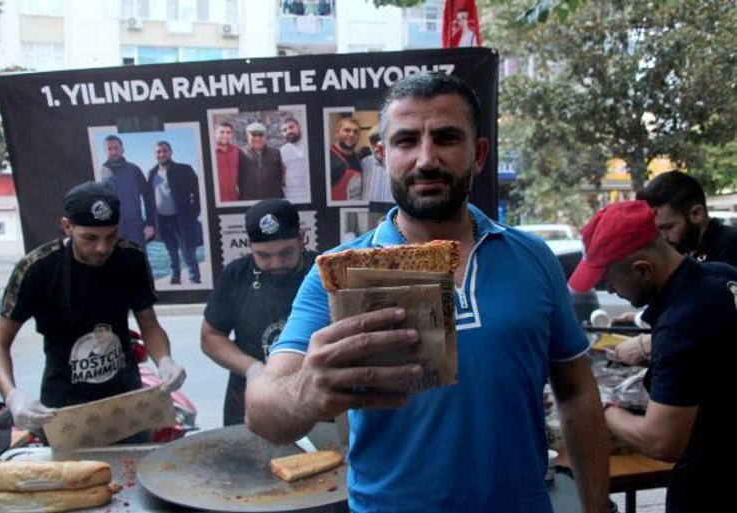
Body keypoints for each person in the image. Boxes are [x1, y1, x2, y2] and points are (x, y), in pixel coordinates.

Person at [246, 72, 609, 512]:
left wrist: (596, 506)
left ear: (478, 154)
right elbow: (262, 410)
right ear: (381, 155)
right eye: (405, 141)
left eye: (446, 137)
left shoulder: (533, 257)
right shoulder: (339, 273)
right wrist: (305, 390)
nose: (426, 159)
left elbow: (577, 392)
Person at [568, 200, 736, 513]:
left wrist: (601, 407)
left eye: (610, 283)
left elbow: (662, 441)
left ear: (642, 269)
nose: (613, 292)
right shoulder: (721, 277)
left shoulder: (682, 323)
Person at [0, 181, 186, 439]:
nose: (102, 248)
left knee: (133, 472)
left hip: (127, 402)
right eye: (90, 238)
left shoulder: (130, 259)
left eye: (110, 236)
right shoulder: (38, 269)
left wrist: (165, 360)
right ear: (67, 226)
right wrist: (12, 396)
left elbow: (149, 324)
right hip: (65, 409)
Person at [201, 199, 316, 426]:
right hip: (252, 395)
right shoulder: (237, 275)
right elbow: (211, 337)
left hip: (313, 395)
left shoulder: (321, 271)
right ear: (250, 247)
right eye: (263, 256)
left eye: (286, 253)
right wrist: (253, 369)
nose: (275, 263)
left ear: (302, 240)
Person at [614, 171, 737, 365]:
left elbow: (714, 317)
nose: (662, 239)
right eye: (656, 231)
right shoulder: (690, 250)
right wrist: (639, 318)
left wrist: (646, 345)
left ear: (696, 214)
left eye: (668, 227)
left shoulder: (730, 246)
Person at [147, 141, 202, 285]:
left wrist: (194, 213)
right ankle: (175, 277)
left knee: (188, 252)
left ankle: (194, 279)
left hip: (181, 219)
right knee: (171, 252)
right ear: (155, 154)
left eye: (164, 151)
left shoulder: (184, 169)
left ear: (170, 152)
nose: (161, 154)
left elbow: (198, 192)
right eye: (158, 151)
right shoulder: (152, 173)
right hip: (162, 220)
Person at [99, 135, 156, 248]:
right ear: (105, 151)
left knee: (139, 261)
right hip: (113, 227)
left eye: (116, 148)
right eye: (110, 149)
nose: (114, 152)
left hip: (135, 226)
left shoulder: (134, 169)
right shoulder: (101, 172)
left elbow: (148, 197)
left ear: (122, 149)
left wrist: (150, 224)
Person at [238, 122, 285, 201]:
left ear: (265, 137)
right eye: (254, 135)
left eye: (260, 135)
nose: (257, 138)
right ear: (247, 136)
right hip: (248, 200)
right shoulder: (240, 154)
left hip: (273, 200)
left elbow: (283, 175)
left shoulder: (276, 153)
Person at [329, 117, 364, 201]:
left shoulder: (360, 158)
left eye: (355, 132)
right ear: (337, 133)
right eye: (347, 130)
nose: (352, 135)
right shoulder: (328, 159)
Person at [361, 125, 395, 209]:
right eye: (373, 141)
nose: (378, 144)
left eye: (381, 139)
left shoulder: (401, 163)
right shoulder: (364, 163)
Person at [279, 117, 309, 202]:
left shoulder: (310, 146)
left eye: (291, 127)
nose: (289, 131)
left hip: (309, 196)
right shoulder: (282, 151)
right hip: (291, 198)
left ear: (299, 127)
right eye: (285, 130)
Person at [214, 121, 240, 202]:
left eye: (228, 132)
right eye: (221, 132)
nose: (225, 135)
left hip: (234, 198)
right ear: (215, 133)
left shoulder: (237, 151)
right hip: (217, 199)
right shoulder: (209, 152)